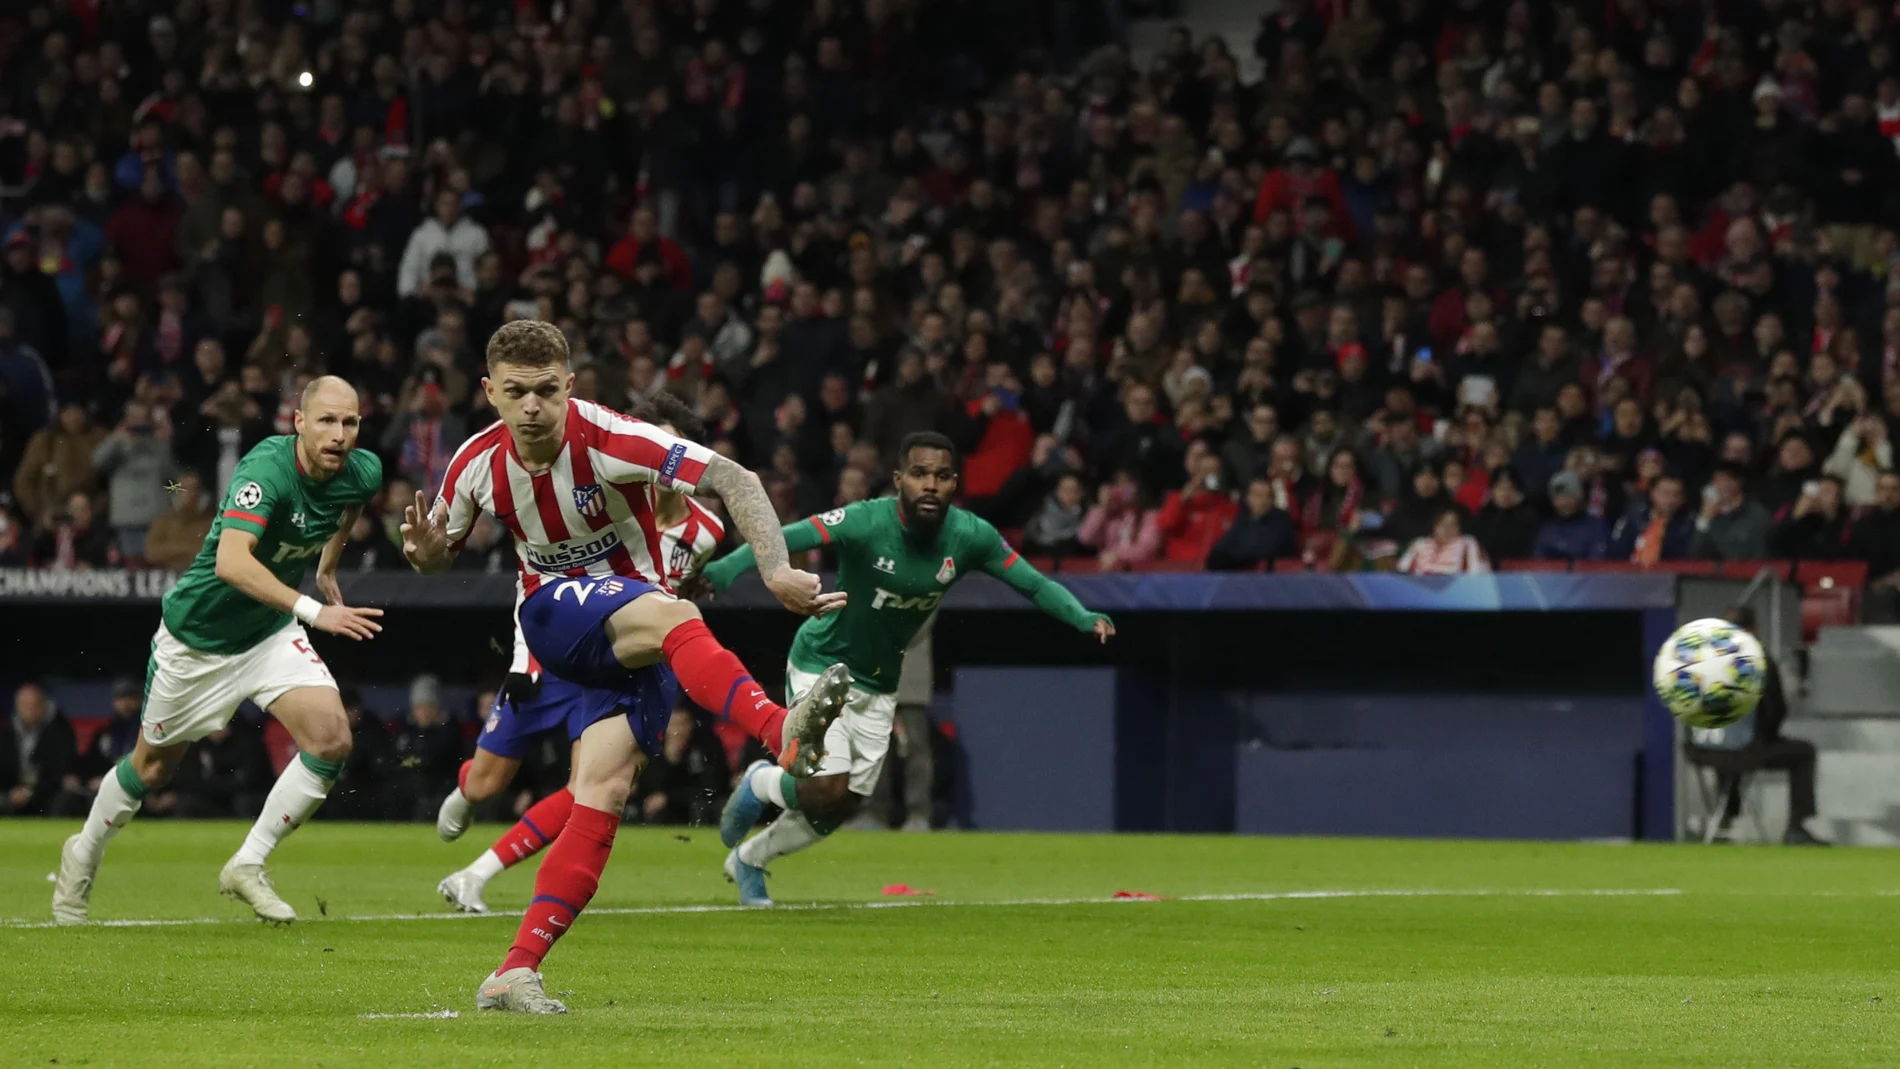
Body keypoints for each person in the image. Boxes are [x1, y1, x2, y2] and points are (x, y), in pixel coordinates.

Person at [397, 320, 851, 1014]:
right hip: (552, 614)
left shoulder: (611, 439)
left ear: (570, 386)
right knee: (675, 619)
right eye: (515, 392)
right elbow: (439, 556)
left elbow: (734, 477)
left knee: (601, 796)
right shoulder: (475, 465)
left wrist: (775, 567)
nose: (531, 408)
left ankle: (514, 970)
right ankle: (780, 730)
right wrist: (425, 553)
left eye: (546, 391)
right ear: (490, 391)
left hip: (634, 635)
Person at [703, 432, 1115, 908]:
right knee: (823, 786)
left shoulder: (970, 536)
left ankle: (750, 860)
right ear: (899, 480)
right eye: (919, 474)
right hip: (824, 662)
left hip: (879, 683)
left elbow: (1033, 583)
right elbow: (788, 535)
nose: (930, 485)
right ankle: (760, 782)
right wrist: (728, 570)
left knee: (840, 805)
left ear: (954, 483)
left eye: (941, 476)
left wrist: (1081, 616)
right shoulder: (865, 520)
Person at [50, 377, 385, 927]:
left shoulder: (362, 470)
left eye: (349, 422)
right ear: (298, 423)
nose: (339, 434)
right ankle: (83, 850)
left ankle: (247, 864)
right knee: (152, 769)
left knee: (331, 740)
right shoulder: (266, 471)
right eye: (326, 420)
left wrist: (328, 565)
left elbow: (349, 504)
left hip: (267, 633)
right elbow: (232, 562)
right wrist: (313, 609)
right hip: (197, 640)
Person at [432, 393, 726, 915]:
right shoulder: (602, 497)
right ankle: (465, 796)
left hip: (619, 664)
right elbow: (539, 580)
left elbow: (675, 590)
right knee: (486, 783)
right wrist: (523, 660)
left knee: (587, 785)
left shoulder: (707, 532)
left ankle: (475, 875)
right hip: (554, 656)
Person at [1682, 606, 1826, 846]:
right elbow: (1775, 711)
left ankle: (1726, 818)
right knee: (1802, 752)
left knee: (1729, 743)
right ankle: (1796, 827)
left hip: (1700, 751)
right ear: (1753, 629)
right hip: (1744, 752)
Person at [0, 682, 81, 816]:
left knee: (66, 798)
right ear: (17, 706)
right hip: (12, 792)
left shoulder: (59, 730)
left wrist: (31, 793)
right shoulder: (5, 732)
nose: (30, 710)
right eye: (25, 705)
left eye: (35, 705)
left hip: (45, 793)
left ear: (43, 705)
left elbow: (59, 771)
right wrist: (11, 792)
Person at [1206, 476, 1297, 571]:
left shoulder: (1282, 519)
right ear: (1248, 498)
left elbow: (1268, 549)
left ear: (1271, 500)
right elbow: (1218, 552)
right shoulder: (1243, 518)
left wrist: (1235, 555)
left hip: (1270, 576)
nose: (1262, 500)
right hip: (1238, 573)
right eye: (1257, 495)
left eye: (1266, 495)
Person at [1690, 464, 1771, 560]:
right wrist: (1704, 519)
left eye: (1727, 480)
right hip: (1713, 573)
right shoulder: (1711, 516)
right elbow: (1694, 555)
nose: (1722, 485)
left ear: (1739, 482)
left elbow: (1760, 552)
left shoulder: (1757, 514)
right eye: (1717, 480)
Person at [1532, 471, 1610, 561]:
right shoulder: (1547, 530)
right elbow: (1538, 563)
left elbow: (1598, 561)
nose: (1562, 502)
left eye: (1567, 496)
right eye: (1557, 497)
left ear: (1579, 496)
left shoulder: (1597, 526)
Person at [1397, 508, 1491, 575]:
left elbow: (1479, 576)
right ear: (1434, 527)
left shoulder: (1469, 543)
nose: (1446, 529)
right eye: (1441, 524)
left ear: (1460, 528)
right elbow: (1402, 571)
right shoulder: (1419, 543)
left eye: (1452, 525)